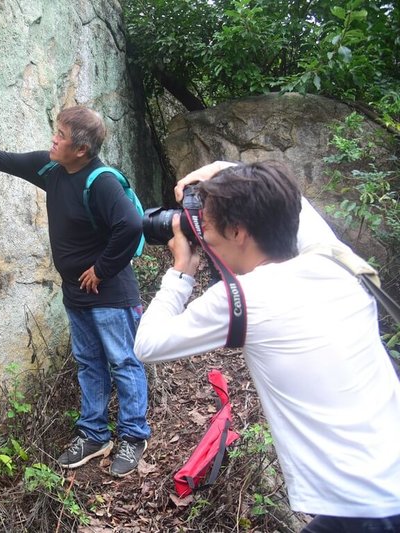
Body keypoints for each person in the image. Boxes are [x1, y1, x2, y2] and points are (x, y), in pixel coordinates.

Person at [134, 160, 400, 531]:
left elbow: (147, 345)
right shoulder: (333, 258)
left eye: (207, 228)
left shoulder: (244, 297)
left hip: (366, 505)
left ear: (238, 231)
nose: (204, 235)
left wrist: (182, 268)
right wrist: (227, 170)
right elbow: (294, 201)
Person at [0, 106, 151, 477]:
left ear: (81, 149)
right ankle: (94, 434)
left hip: (109, 293)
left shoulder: (102, 181)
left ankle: (134, 436)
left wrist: (101, 269)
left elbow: (131, 225)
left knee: (123, 362)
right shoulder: (51, 169)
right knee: (90, 363)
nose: (53, 139)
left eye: (60, 134)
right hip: (76, 293)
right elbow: (3, 160)